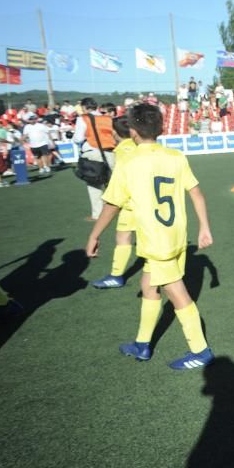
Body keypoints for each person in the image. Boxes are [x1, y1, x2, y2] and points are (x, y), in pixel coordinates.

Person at [85, 103, 215, 371]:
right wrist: (204, 227)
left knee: (177, 292)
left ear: (132, 131)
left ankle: (200, 351)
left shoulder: (128, 162)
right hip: (177, 235)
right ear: (162, 128)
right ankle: (142, 343)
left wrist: (95, 235)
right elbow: (197, 193)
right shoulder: (176, 156)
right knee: (148, 285)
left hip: (157, 241)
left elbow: (111, 205)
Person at [90, 116, 137, 289]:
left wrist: (94, 236)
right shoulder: (141, 146)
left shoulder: (122, 151)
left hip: (131, 203)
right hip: (152, 203)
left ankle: (116, 275)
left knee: (123, 237)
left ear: (115, 133)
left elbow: (118, 192)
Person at [73, 98, 117, 221]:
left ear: (84, 107)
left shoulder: (83, 118)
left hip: (92, 151)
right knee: (112, 182)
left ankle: (98, 214)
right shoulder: (107, 118)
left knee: (94, 184)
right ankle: (118, 209)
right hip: (109, 151)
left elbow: (78, 138)